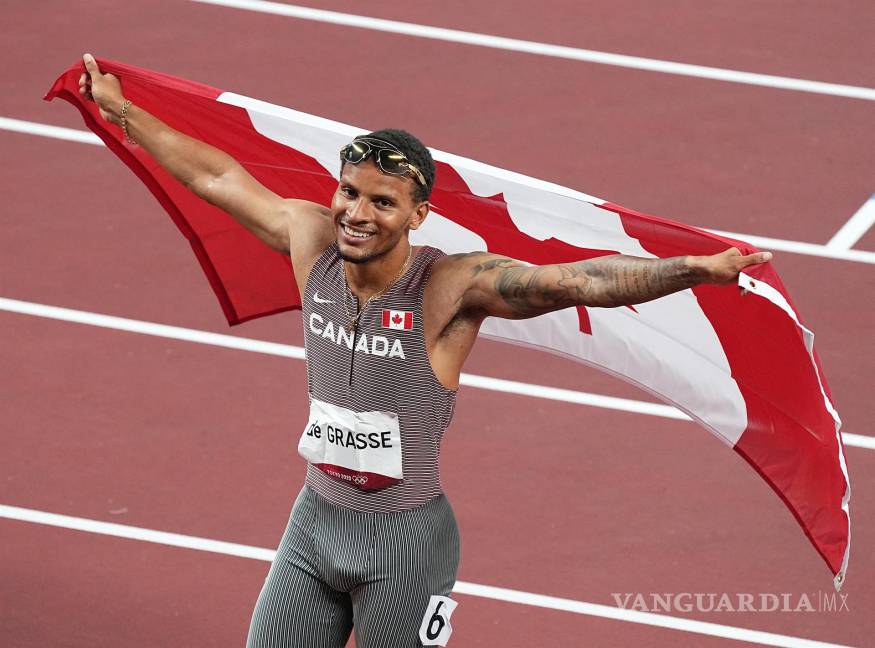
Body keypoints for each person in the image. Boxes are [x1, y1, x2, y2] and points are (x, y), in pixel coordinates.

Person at [78, 53, 772, 648]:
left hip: (405, 546)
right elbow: (217, 179)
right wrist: (122, 113)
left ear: (416, 216)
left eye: (381, 202)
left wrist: (692, 270)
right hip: (314, 524)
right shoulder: (309, 239)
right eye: (349, 192)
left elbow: (577, 281)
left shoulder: (448, 287)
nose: (356, 213)